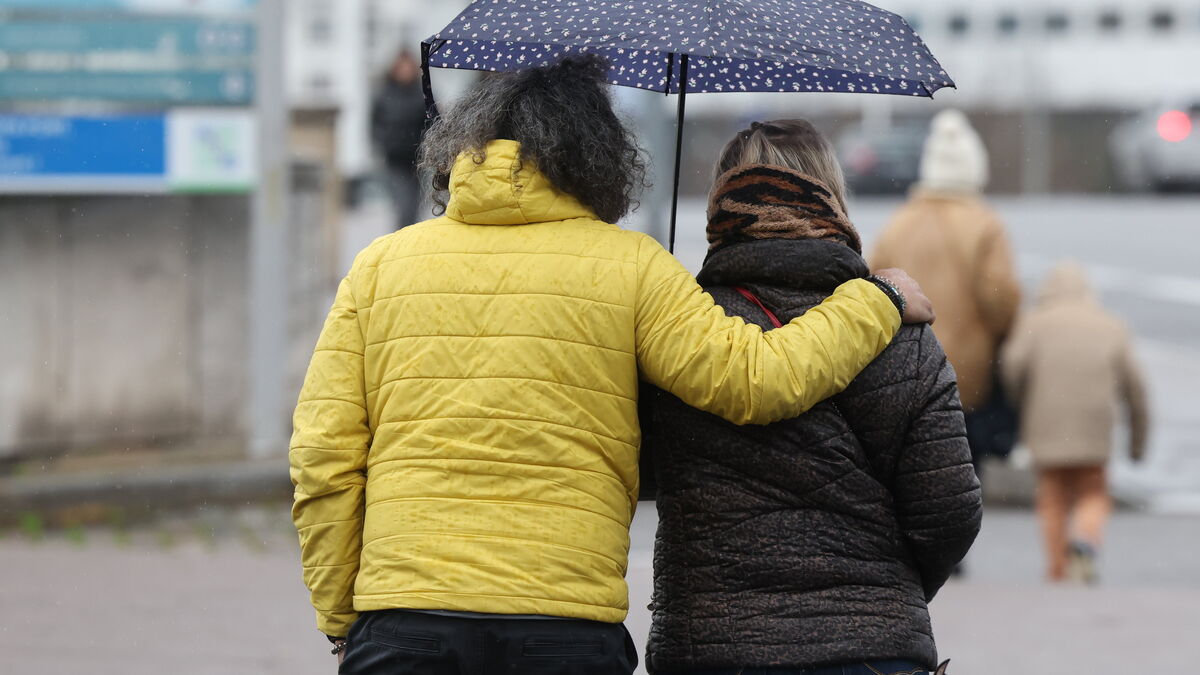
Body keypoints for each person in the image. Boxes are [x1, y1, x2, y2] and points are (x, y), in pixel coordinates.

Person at [290, 56, 934, 674]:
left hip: (405, 617)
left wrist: (343, 620)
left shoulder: (380, 267)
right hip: (563, 627)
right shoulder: (631, 266)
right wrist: (875, 301)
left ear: (466, 142)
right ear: (598, 152)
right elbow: (758, 380)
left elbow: (323, 458)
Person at [642, 119, 981, 675]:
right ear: (832, 199)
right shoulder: (900, 330)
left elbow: (641, 470)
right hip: (872, 652)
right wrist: (878, 589)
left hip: (714, 647)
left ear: (721, 206)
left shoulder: (681, 333)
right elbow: (949, 512)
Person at [870, 109, 1021, 472]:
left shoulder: (899, 222)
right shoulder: (984, 224)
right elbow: (1000, 302)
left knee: (915, 472)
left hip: (908, 371)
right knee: (964, 472)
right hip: (968, 376)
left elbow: (871, 289)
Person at [1001, 262, 1149, 584]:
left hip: (1046, 427)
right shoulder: (1111, 325)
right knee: (1094, 492)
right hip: (1094, 429)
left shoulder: (1034, 322)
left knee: (1052, 497)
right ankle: (1085, 540)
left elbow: (1012, 367)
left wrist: (1018, 402)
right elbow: (1135, 389)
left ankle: (1058, 570)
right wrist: (1138, 443)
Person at [371, 49, 429, 229]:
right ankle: (402, 240)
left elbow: (430, 122)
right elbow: (374, 124)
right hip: (395, 160)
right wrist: (383, 143)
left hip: (418, 159)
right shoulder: (384, 93)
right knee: (403, 206)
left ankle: (409, 242)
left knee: (415, 207)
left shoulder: (422, 93)